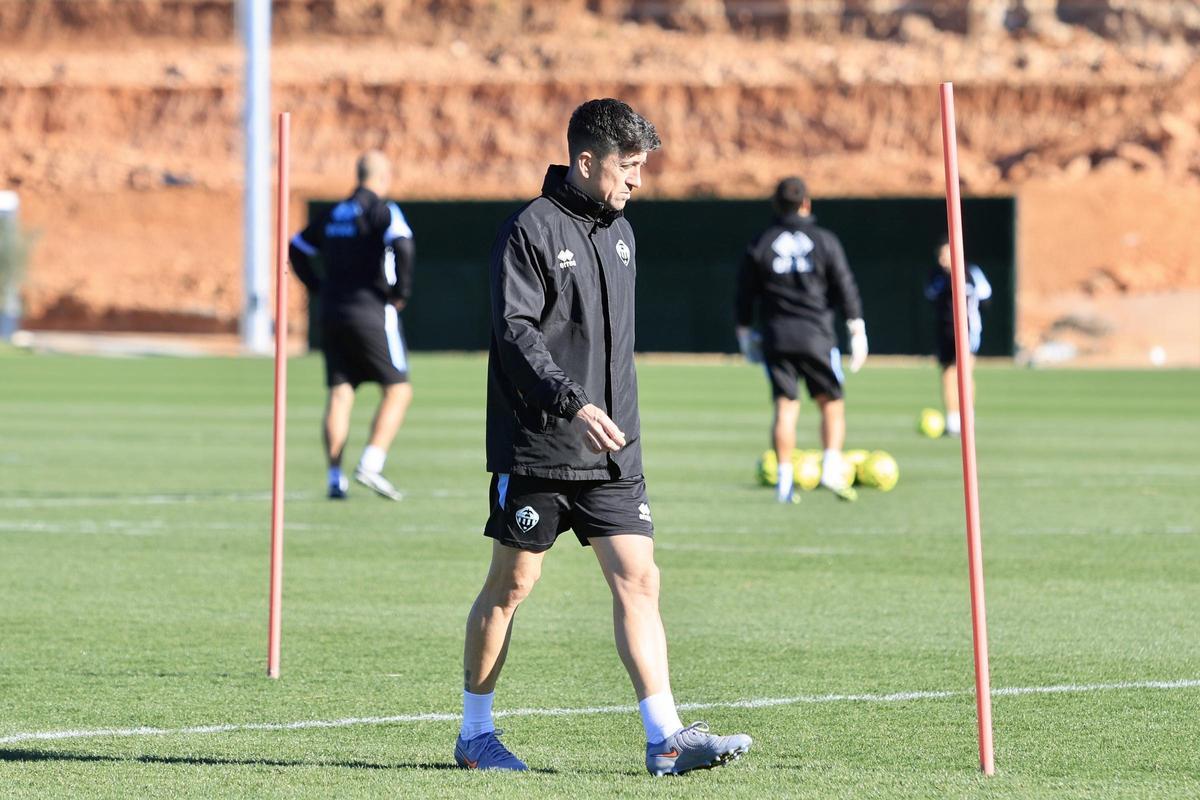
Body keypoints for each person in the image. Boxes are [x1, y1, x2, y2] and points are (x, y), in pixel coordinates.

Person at [455, 98, 752, 776]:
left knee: (639, 579)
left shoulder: (622, 233)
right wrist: (571, 402)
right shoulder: (530, 229)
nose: (637, 181)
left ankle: (666, 739)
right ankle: (475, 736)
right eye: (628, 167)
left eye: (642, 167)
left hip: (615, 453)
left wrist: (609, 421)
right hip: (542, 445)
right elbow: (517, 331)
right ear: (586, 162)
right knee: (512, 584)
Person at [288, 151, 414, 501]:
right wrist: (400, 292)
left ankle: (334, 477)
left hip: (331, 311)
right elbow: (403, 244)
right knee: (398, 390)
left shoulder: (333, 213)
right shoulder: (383, 210)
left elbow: (296, 247)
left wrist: (317, 287)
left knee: (341, 393)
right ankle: (371, 463)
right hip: (371, 310)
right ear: (384, 176)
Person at [734, 177, 868, 504]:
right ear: (806, 203)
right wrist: (857, 328)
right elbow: (845, 285)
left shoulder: (761, 242)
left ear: (776, 206)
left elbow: (743, 292)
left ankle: (783, 481)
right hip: (817, 335)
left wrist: (744, 333)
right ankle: (831, 468)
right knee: (831, 403)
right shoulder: (824, 241)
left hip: (777, 336)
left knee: (785, 407)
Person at [925, 240, 992, 437]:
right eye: (941, 255)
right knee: (947, 374)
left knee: (964, 373)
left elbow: (986, 296)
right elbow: (930, 294)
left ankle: (967, 417)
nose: (943, 259)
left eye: (947, 254)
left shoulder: (971, 272)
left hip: (967, 330)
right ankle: (953, 421)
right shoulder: (936, 276)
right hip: (945, 330)